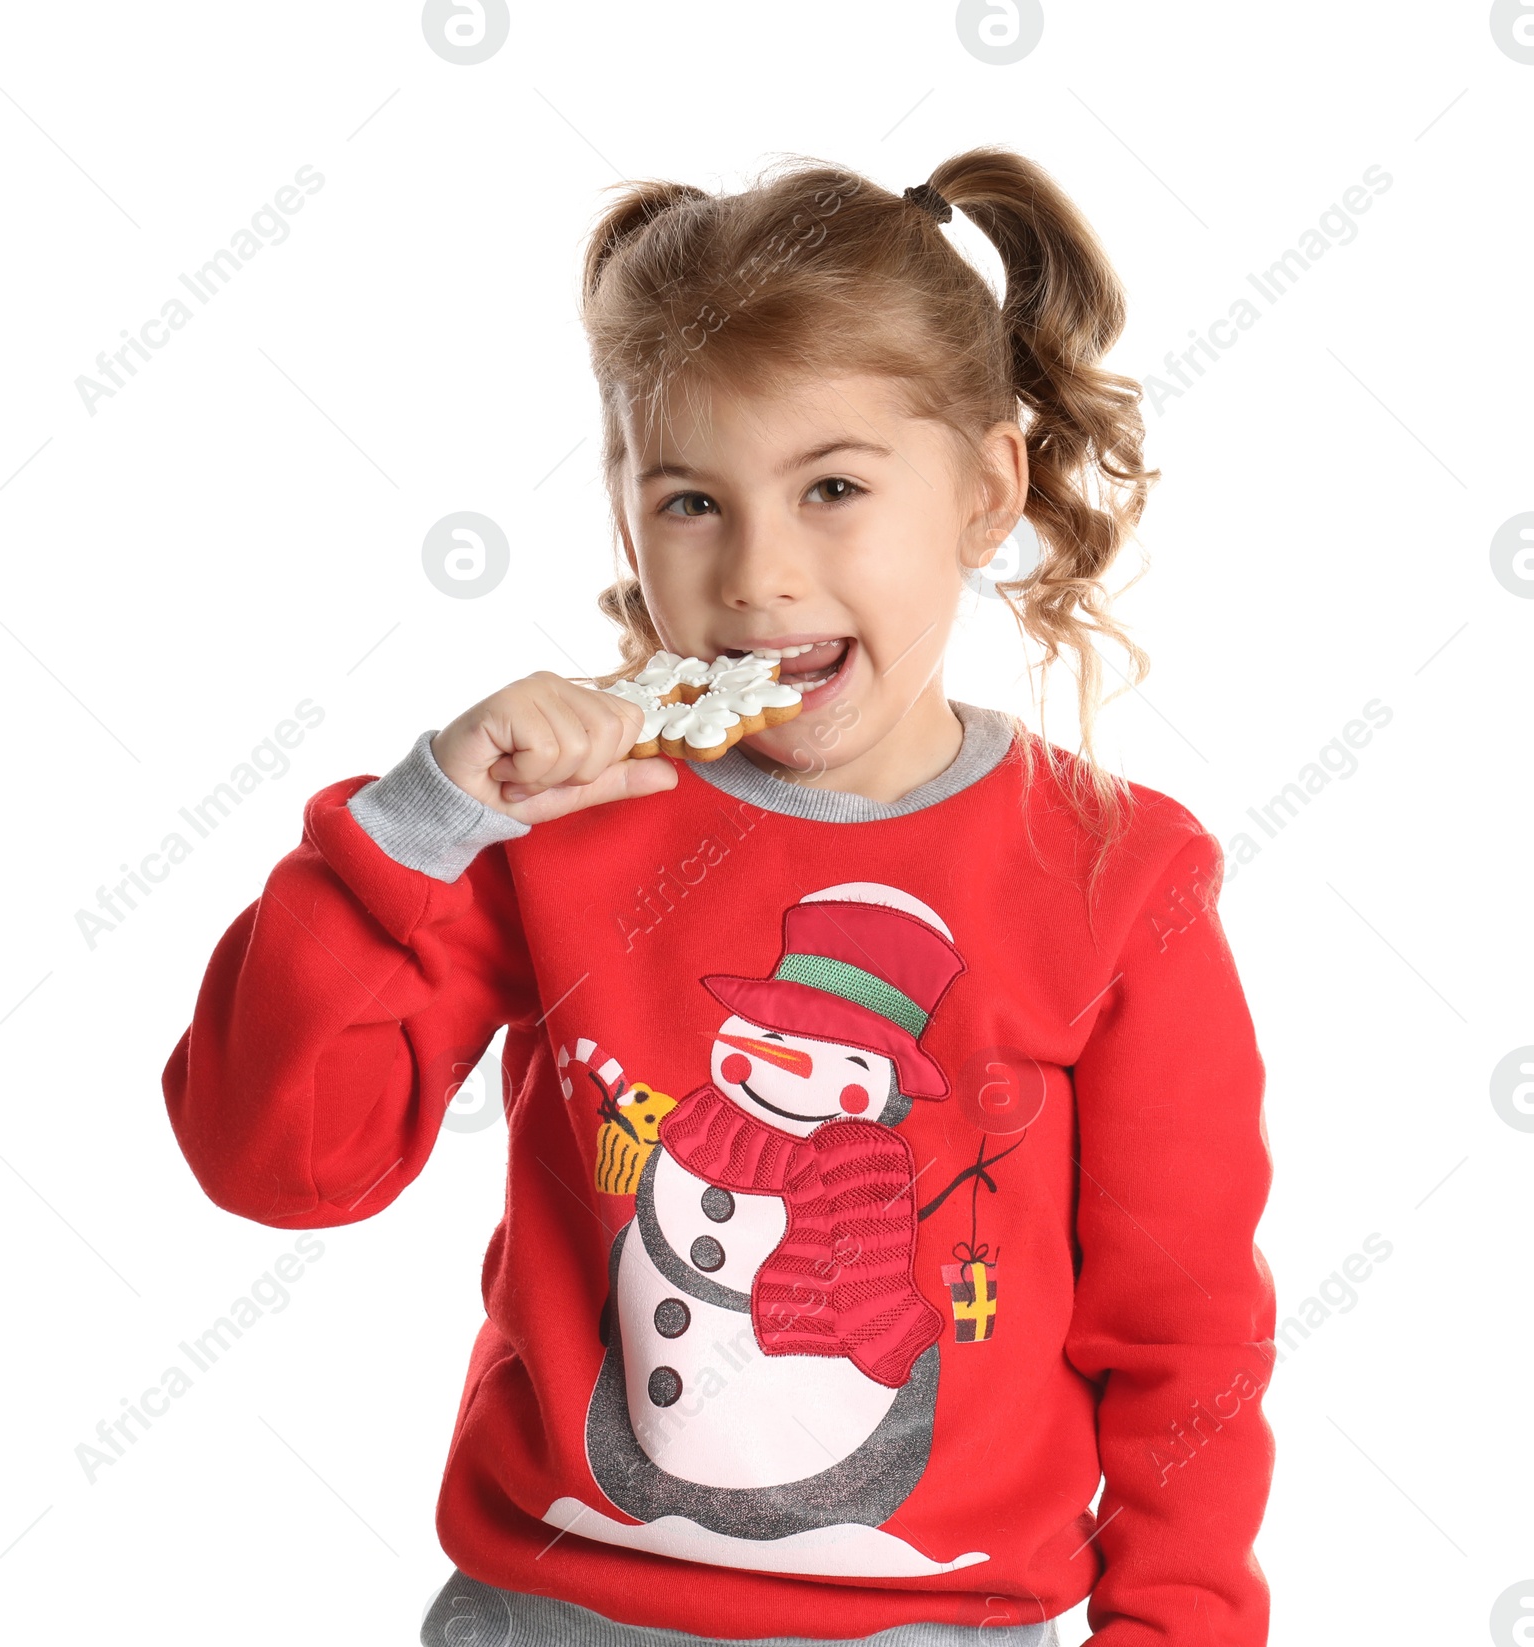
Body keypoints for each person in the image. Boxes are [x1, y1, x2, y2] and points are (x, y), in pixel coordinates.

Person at [163, 147, 1275, 1646]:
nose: (759, 573)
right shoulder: (551, 830)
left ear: (985, 486)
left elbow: (1185, 1341)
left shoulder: (1116, 878)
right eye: (694, 499)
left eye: (833, 487)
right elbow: (278, 1162)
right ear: (626, 518)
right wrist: (420, 824)